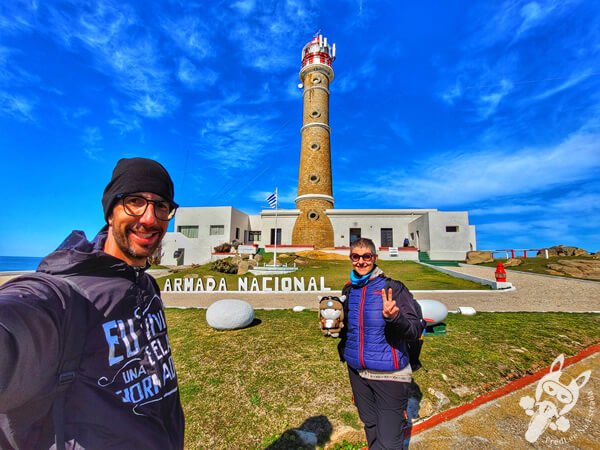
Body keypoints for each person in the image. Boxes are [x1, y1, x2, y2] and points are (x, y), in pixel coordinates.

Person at [0, 158, 185, 449]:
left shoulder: (147, 284)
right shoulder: (64, 294)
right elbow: (17, 319)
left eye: (161, 206)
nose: (150, 218)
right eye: (134, 201)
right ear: (110, 212)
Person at [337, 238, 423, 449]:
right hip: (357, 372)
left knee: (389, 437)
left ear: (374, 258)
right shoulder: (348, 290)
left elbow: (414, 330)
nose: (361, 261)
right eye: (356, 256)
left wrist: (395, 318)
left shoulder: (393, 288)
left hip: (389, 375)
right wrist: (333, 328)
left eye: (366, 256)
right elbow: (350, 330)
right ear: (351, 259)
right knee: (370, 424)